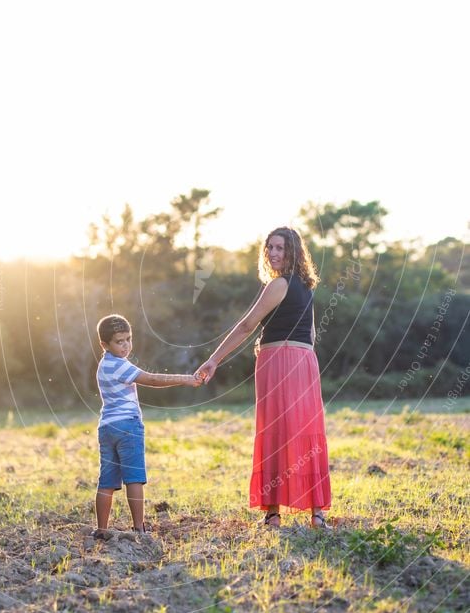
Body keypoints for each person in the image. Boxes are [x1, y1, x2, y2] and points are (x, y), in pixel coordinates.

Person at [195, 227, 332, 529]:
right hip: (305, 360)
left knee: (275, 431)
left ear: (293, 252)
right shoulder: (306, 288)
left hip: (279, 361)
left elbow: (246, 325)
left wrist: (214, 359)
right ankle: (316, 512)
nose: (273, 253)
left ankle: (273, 512)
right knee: (305, 429)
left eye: (280, 248)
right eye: (270, 247)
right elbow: (309, 333)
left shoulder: (278, 284)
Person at [94, 313, 201, 539]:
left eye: (128, 339)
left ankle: (101, 530)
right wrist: (186, 379)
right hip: (127, 426)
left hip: (106, 427)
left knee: (107, 480)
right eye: (119, 341)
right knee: (134, 477)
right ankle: (139, 529)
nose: (125, 346)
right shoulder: (119, 365)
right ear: (104, 344)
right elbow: (151, 380)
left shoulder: (104, 365)